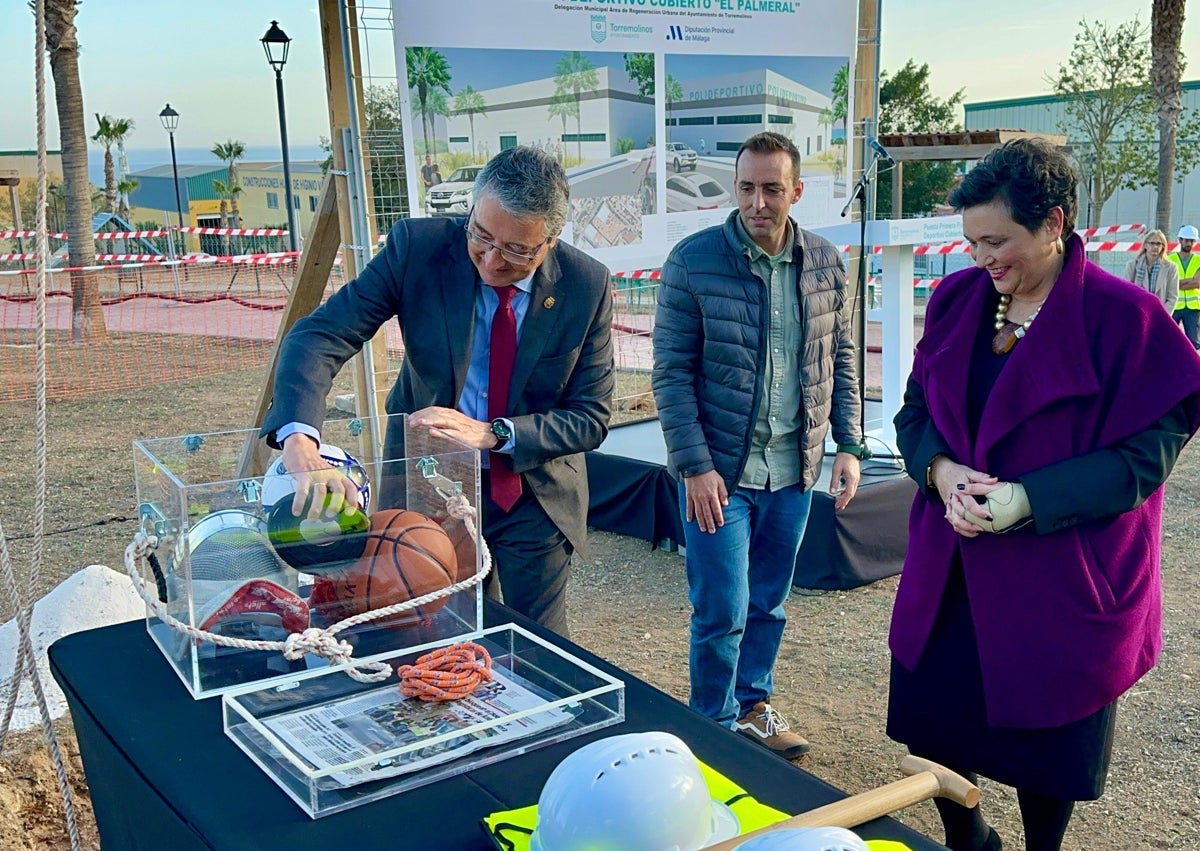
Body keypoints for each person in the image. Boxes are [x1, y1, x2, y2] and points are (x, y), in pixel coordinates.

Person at [888, 137, 1200, 851]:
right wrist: (938, 470)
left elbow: (1146, 456)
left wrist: (1030, 497)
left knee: (1047, 742)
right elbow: (914, 415)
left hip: (1063, 576)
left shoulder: (1128, 320)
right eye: (970, 242)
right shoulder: (955, 298)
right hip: (953, 568)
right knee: (934, 721)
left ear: (1054, 223)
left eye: (997, 240)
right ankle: (969, 839)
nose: (981, 258)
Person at [261, 145, 616, 636]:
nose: (492, 261)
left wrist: (493, 433)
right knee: (428, 630)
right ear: (470, 211)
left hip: (534, 494)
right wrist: (300, 441)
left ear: (551, 241)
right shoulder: (418, 248)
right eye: (482, 236)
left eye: (517, 250)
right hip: (427, 485)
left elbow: (591, 415)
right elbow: (320, 336)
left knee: (541, 645)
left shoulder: (586, 285)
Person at [652, 131, 864, 759]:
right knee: (721, 609)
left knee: (769, 602)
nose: (758, 202)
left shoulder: (825, 262)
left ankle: (755, 706)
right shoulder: (692, 262)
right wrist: (693, 467)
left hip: (793, 472)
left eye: (773, 188)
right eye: (747, 187)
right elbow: (669, 373)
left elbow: (840, 358)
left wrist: (849, 445)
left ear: (797, 191)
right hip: (721, 475)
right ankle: (712, 728)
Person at [1122, 228, 1178, 313]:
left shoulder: (1171, 268)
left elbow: (1172, 297)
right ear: (1145, 245)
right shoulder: (1132, 266)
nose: (1155, 247)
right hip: (1137, 314)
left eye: (1158, 244)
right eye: (1152, 243)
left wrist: (1163, 315)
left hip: (1160, 315)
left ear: (1163, 246)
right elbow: (1126, 293)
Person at [1168, 224, 1200, 348]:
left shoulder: (1198, 260)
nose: (1189, 243)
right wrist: (1190, 280)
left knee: (1193, 342)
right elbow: (1168, 283)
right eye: (1186, 240)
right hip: (1173, 305)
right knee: (1169, 339)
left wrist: (1177, 282)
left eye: (1191, 241)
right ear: (1180, 240)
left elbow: (1197, 283)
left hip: (1193, 308)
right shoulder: (1170, 259)